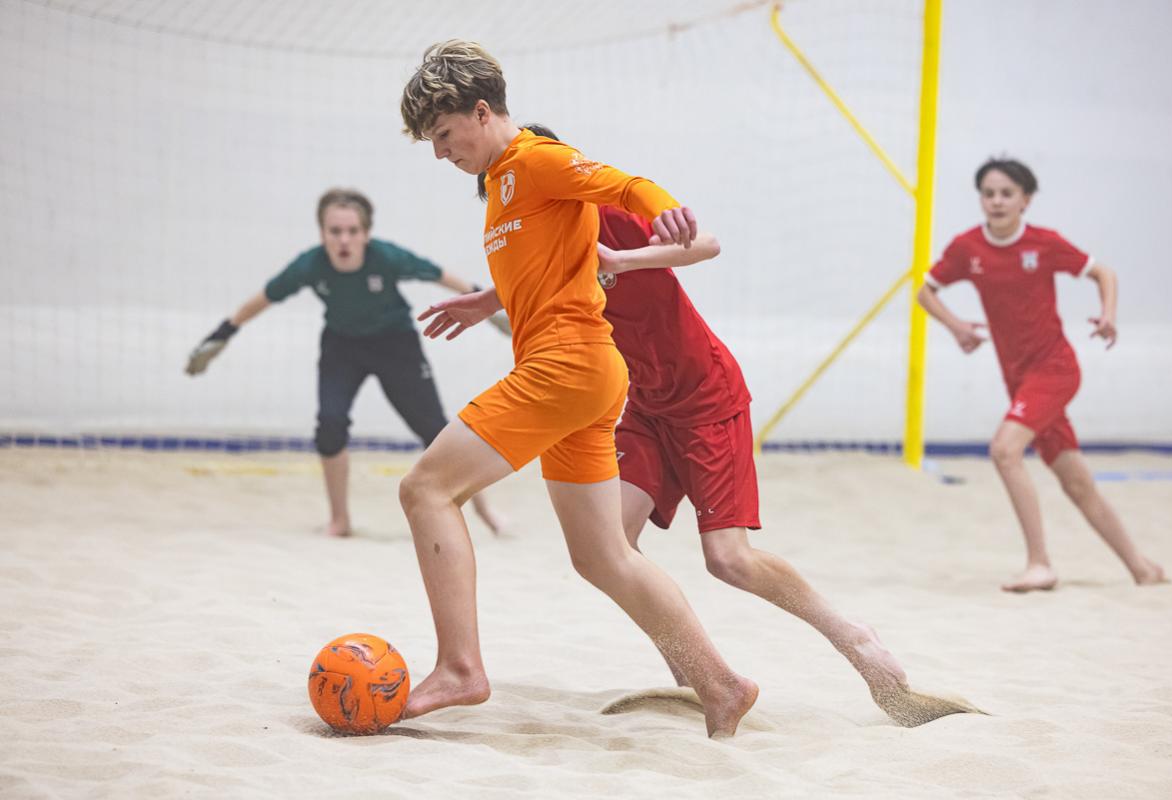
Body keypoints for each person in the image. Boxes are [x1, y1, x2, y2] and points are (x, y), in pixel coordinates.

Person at [478, 122, 970, 726]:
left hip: (705, 396)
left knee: (729, 559)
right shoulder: (537, 239)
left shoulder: (603, 214)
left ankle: (858, 640)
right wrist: (485, 302)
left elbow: (706, 244)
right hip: (643, 405)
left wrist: (623, 261)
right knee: (609, 546)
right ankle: (695, 674)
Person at [397, 40, 758, 737]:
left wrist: (667, 211)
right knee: (601, 555)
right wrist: (485, 301)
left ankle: (460, 669)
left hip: (564, 368)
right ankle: (721, 686)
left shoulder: (533, 157)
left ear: (480, 111)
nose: (440, 153)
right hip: (585, 375)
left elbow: (626, 184)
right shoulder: (501, 185)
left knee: (425, 489)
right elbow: (547, 264)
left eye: (443, 134)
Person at [185, 188, 505, 539]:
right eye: (335, 231)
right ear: (322, 233)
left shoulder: (387, 257)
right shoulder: (309, 265)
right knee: (330, 425)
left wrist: (489, 309)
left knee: (433, 430)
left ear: (366, 234)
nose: (344, 240)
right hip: (342, 346)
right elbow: (262, 299)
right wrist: (222, 334)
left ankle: (485, 512)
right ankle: (339, 521)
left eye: (352, 231)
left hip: (395, 344)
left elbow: (440, 275)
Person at [917, 158, 1167, 592]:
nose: (996, 201)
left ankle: (1039, 564)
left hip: (1055, 369)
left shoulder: (1044, 243)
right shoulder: (967, 248)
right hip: (1018, 380)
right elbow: (925, 292)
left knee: (1004, 451)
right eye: (988, 193)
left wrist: (1108, 315)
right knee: (1076, 482)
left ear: (1025, 200)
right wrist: (957, 328)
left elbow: (1103, 272)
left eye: (1006, 194)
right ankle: (1142, 568)